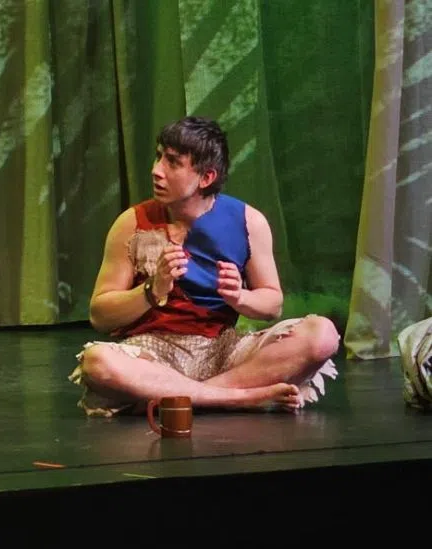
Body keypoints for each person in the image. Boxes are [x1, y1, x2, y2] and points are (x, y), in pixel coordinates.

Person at [69, 116, 340, 417]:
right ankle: (237, 398)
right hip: (153, 353)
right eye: (159, 157)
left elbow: (272, 304)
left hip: (223, 349)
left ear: (206, 177)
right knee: (98, 362)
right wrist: (150, 290)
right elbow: (100, 315)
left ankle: (174, 397)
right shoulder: (131, 223)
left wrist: (240, 297)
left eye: (172, 162)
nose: (156, 170)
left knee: (322, 334)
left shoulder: (248, 221)